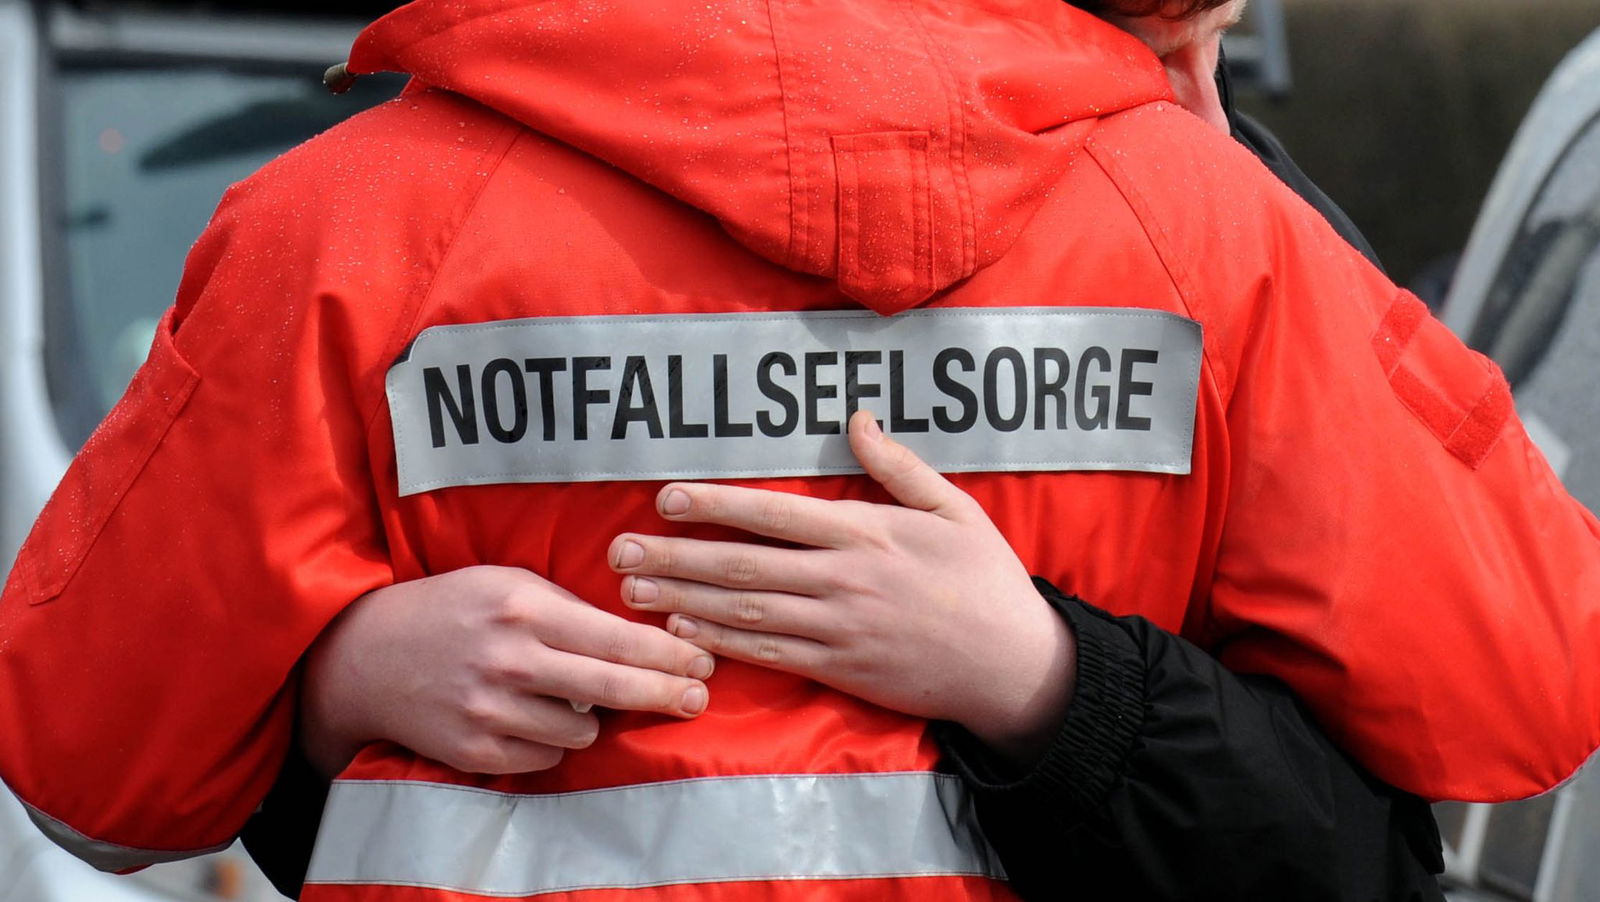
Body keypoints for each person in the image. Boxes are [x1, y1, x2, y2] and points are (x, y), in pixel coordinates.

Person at [1, 0, 1597, 900]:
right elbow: (1537, 680)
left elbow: (82, 766)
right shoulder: (1204, 235)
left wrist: (324, 678)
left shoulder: (337, 235)